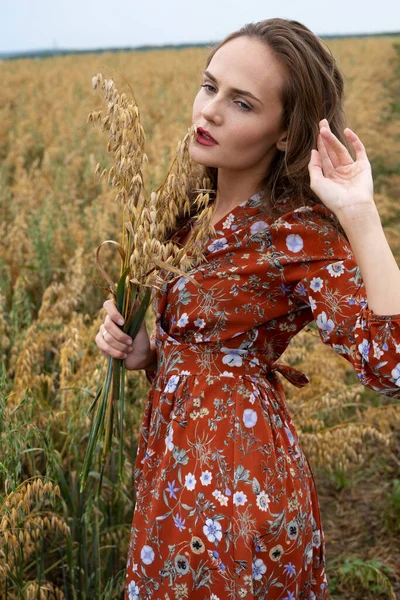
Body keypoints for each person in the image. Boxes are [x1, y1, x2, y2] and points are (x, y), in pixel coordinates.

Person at [95, 18, 400, 600]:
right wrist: (147, 350)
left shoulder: (296, 232)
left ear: (284, 134)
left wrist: (360, 214)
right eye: (209, 87)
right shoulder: (185, 210)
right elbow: (204, 349)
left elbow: (393, 367)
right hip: (171, 473)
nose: (209, 111)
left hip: (238, 490)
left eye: (241, 103)